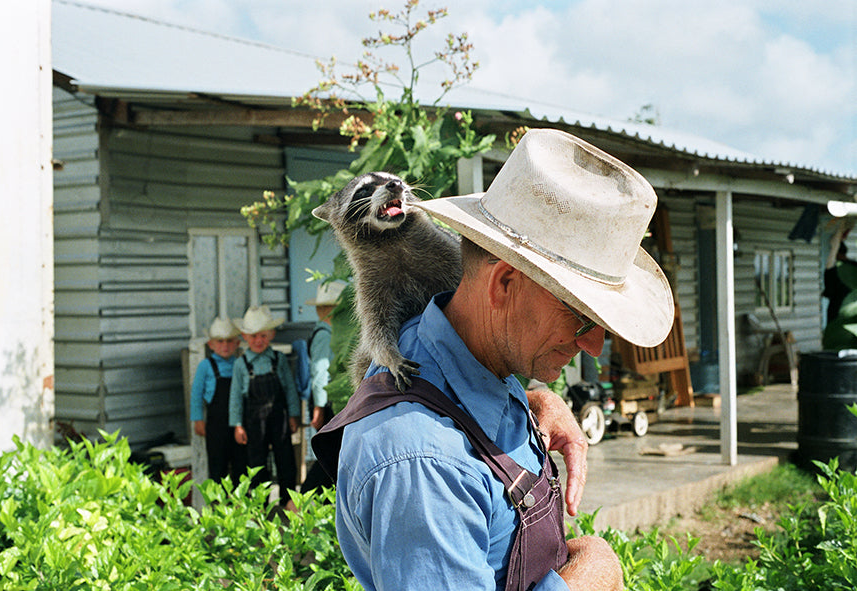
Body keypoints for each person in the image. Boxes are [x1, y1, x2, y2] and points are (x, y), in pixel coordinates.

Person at [314, 129, 674, 590]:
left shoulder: (464, 348)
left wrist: (530, 399)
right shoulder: (424, 463)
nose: (594, 346)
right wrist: (593, 575)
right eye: (580, 315)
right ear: (503, 284)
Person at [229, 305, 301, 508]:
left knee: (285, 458)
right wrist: (237, 425)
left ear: (271, 335)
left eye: (263, 336)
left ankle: (288, 501)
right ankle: (260, 504)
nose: (258, 340)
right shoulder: (241, 364)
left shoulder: (278, 359)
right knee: (257, 462)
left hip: (279, 417)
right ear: (244, 336)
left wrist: (293, 414)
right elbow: (235, 396)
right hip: (253, 420)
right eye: (253, 336)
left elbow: (289, 389)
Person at [299, 280, 345, 496]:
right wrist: (319, 406)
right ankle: (303, 497)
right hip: (326, 401)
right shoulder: (324, 335)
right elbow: (320, 372)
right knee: (330, 452)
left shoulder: (330, 333)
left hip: (327, 399)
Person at [190, 317, 246, 486]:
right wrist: (197, 419)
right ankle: (217, 500)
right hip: (216, 424)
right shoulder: (206, 366)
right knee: (217, 464)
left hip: (238, 423)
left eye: (229, 341)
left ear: (237, 343)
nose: (225, 346)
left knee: (241, 464)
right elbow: (196, 394)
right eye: (220, 341)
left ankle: (240, 499)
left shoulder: (240, 364)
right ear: (211, 344)